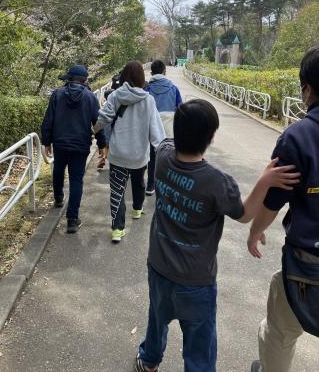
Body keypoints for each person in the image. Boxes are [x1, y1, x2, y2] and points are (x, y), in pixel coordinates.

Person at [135, 99, 300, 372]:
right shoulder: (216, 182)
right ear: (211, 138)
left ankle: (149, 360)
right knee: (199, 346)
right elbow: (245, 214)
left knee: (157, 316)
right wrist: (265, 181)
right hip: (196, 282)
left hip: (159, 268)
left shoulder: (163, 158)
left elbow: (164, 141)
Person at [248, 47, 319, 372]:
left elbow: (272, 203)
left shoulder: (299, 137)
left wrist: (255, 230)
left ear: (306, 90)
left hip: (307, 267)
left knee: (278, 333)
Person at [93, 60, 165, 243]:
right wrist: (164, 150)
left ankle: (117, 229)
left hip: (118, 154)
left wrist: (93, 131)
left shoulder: (115, 96)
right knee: (139, 182)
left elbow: (104, 118)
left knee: (117, 190)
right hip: (139, 154)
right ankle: (137, 209)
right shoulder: (148, 100)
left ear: (124, 75)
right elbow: (156, 130)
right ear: (142, 78)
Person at [41, 65, 106, 234]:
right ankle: (72, 220)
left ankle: (58, 198)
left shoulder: (57, 94)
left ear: (70, 79)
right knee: (76, 180)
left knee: (58, 170)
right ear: (85, 80)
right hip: (80, 144)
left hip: (60, 142)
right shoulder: (90, 97)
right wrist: (101, 144)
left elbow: (49, 119)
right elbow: (97, 123)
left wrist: (46, 141)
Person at [145, 60, 182, 195]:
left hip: (151, 127)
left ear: (151, 72)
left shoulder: (147, 89)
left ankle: (150, 185)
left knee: (152, 157)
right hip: (169, 128)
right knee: (170, 156)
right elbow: (180, 108)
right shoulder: (173, 88)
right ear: (165, 72)